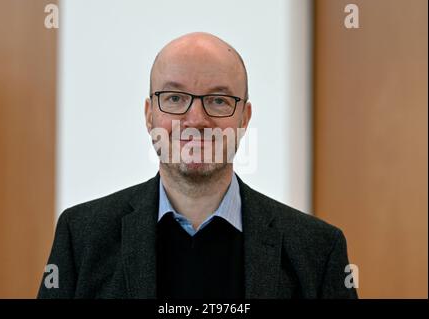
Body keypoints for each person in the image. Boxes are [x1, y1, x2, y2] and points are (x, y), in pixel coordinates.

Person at [38, 32, 357, 299]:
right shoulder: (81, 236)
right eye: (175, 98)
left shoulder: (317, 250)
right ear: (150, 115)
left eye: (218, 100)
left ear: (244, 119)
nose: (196, 120)